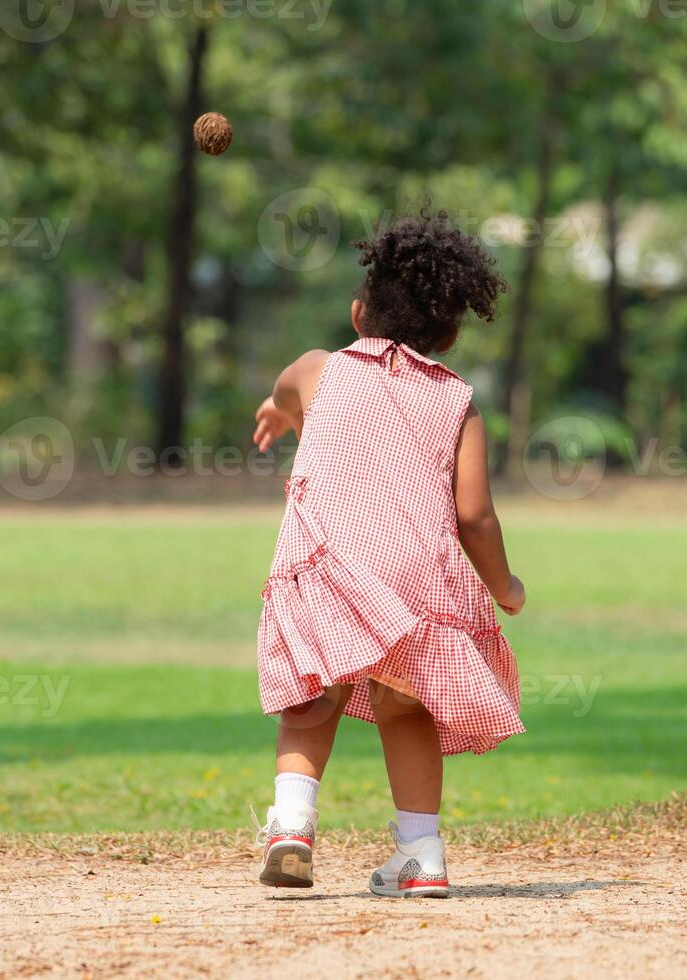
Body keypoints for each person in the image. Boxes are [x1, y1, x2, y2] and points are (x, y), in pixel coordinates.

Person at [251, 209, 526, 898]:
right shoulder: (459, 402)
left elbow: (287, 387)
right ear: (453, 331)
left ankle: (291, 823)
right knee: (406, 708)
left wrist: (281, 410)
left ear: (357, 311)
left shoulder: (320, 371)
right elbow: (473, 515)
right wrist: (504, 585)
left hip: (329, 565)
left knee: (313, 699)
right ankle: (422, 856)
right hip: (416, 581)